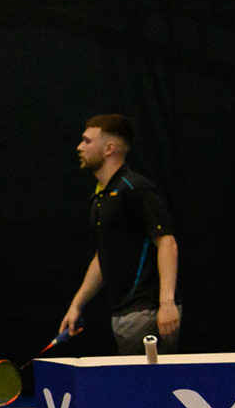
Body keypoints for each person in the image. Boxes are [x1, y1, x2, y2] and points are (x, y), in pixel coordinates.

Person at [59, 114, 180, 354]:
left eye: (87, 141)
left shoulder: (135, 187)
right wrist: (76, 305)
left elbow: (167, 242)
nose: (79, 147)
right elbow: (103, 256)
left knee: (145, 379)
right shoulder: (100, 197)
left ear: (109, 149)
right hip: (123, 315)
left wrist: (167, 302)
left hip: (148, 312)